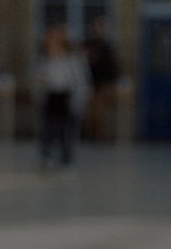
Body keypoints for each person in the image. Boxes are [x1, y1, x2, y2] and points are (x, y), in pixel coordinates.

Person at [31, 23, 89, 168]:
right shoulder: (43, 60)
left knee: (67, 129)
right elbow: (35, 78)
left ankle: (66, 158)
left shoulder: (72, 60)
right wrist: (39, 84)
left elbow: (81, 81)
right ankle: (45, 156)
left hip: (67, 96)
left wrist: (79, 99)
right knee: (48, 128)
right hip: (50, 96)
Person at [82, 14, 122, 141]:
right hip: (88, 83)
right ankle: (89, 133)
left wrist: (112, 82)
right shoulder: (87, 44)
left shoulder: (107, 46)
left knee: (99, 112)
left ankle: (98, 135)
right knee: (88, 112)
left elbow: (113, 66)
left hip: (102, 83)